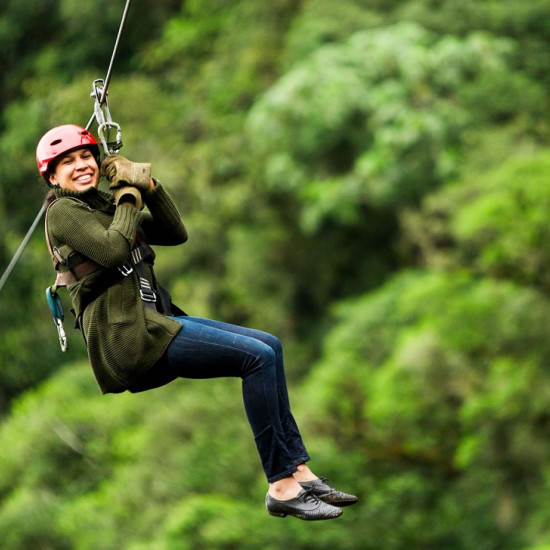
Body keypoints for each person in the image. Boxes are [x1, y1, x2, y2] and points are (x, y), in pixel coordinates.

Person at [36, 124, 358, 521]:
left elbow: (176, 232)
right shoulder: (64, 212)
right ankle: (281, 486)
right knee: (254, 359)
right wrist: (128, 196)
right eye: (67, 163)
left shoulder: (103, 206)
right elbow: (115, 249)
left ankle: (300, 472)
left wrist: (149, 186)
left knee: (269, 346)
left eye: (86, 156)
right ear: (53, 177)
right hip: (128, 340)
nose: (81, 165)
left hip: (154, 322)